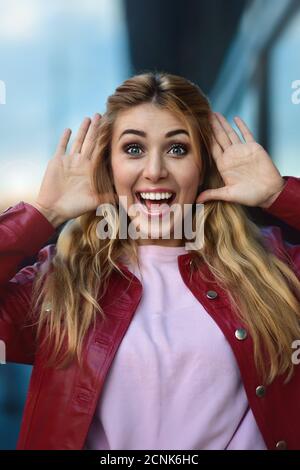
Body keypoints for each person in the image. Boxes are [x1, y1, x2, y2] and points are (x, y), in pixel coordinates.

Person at [0, 72, 299, 451]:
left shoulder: (273, 265)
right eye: (134, 149)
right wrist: (44, 212)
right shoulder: (62, 280)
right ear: (108, 167)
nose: (155, 170)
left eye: (177, 149)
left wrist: (278, 194)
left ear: (203, 166)